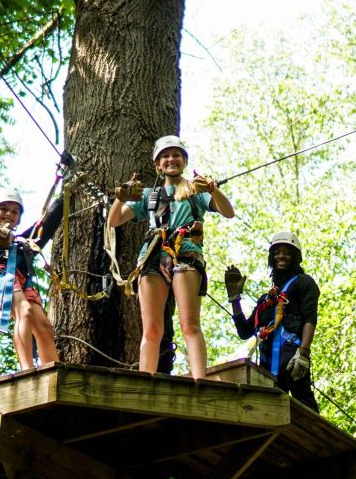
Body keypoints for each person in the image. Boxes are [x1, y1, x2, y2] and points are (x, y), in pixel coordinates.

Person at [107, 135, 234, 379]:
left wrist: (212, 189)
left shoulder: (195, 189)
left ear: (184, 161)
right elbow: (114, 221)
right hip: (152, 257)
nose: (170, 159)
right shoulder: (148, 195)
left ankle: (199, 380)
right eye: (165, 156)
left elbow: (228, 212)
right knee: (152, 329)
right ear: (158, 164)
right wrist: (120, 197)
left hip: (185, 254)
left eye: (176, 155)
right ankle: (146, 381)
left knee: (189, 324)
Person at [0, 188, 59, 370]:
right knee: (24, 311)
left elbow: (44, 227)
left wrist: (66, 196)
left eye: (15, 211)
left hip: (22, 281)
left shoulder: (21, 241)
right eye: (4, 209)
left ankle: (54, 370)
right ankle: (27, 370)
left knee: (43, 325)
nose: (9, 214)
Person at [225, 231, 319, 411]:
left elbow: (310, 317)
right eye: (277, 252)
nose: (281, 256)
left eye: (287, 252)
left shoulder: (304, 283)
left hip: (292, 357)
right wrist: (235, 298)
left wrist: (304, 353)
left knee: (305, 407)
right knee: (270, 412)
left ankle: (321, 439)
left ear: (295, 257)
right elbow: (245, 332)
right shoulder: (266, 301)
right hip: (268, 367)